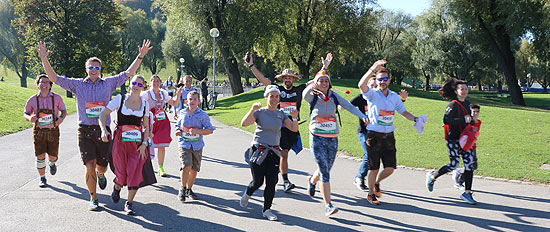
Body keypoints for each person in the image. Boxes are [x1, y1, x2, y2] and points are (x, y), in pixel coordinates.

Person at [36, 40, 152, 210]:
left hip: (103, 131)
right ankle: (93, 197)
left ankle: (101, 174)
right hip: (84, 130)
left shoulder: (108, 83)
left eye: (97, 67)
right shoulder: (77, 84)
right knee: (89, 166)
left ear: (100, 70)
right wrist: (44, 59)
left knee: (102, 167)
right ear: (86, 69)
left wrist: (140, 56)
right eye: (91, 67)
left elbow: (128, 73)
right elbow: (54, 78)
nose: (94, 70)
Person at [303, 53, 368, 217]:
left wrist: (363, 116)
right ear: (316, 84)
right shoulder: (313, 96)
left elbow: (350, 107)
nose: (324, 83)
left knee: (325, 168)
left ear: (330, 83)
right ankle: (328, 205)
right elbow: (304, 94)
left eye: (326, 81)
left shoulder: (334, 96)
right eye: (321, 81)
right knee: (325, 171)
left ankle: (312, 181)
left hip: (332, 138)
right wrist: (321, 72)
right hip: (316, 137)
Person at [357, 60, 424, 205]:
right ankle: (370, 194)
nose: (382, 81)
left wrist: (416, 119)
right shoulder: (372, 95)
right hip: (373, 136)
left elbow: (403, 112)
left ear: (389, 80)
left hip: (389, 137)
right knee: (373, 169)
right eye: (379, 79)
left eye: (385, 79)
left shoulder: (393, 96)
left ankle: (377, 183)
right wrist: (372, 69)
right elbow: (361, 85)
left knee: (390, 168)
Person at [244, 52, 305, 192]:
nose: (287, 80)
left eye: (290, 77)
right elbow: (262, 79)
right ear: (282, 79)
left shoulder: (299, 89)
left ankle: (265, 168)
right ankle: (285, 181)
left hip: (292, 127)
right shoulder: (277, 89)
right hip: (278, 126)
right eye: (285, 78)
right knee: (283, 153)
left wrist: (324, 67)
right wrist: (251, 65)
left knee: (283, 153)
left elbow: (316, 81)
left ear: (293, 79)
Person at [98, 75, 156, 215]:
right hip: (120, 142)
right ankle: (117, 187)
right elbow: (102, 114)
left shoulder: (145, 103)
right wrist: (103, 130)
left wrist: (144, 143)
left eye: (139, 84)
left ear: (143, 87)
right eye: (134, 82)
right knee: (122, 173)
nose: (136, 85)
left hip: (137, 145)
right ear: (130, 84)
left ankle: (129, 203)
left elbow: (147, 127)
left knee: (134, 172)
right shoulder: (120, 99)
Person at [239, 85, 299, 221]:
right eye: (271, 96)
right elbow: (244, 123)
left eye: (276, 96)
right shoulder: (259, 112)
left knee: (272, 182)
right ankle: (248, 193)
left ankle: (267, 210)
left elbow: (293, 129)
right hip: (258, 150)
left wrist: (295, 118)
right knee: (257, 181)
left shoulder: (281, 114)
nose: (274, 99)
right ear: (266, 97)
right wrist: (252, 110)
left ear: (279, 99)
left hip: (274, 151)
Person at [350, 77, 408, 191]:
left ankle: (374, 182)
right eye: (371, 86)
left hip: (379, 133)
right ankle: (359, 177)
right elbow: (349, 105)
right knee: (367, 154)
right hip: (364, 131)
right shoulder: (362, 97)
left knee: (385, 165)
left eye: (375, 86)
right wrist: (341, 106)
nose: (373, 88)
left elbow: (392, 107)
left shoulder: (378, 98)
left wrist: (403, 100)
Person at [426, 79, 479, 204]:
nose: (464, 91)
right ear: (456, 91)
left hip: (466, 140)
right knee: (454, 164)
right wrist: (463, 120)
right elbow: (446, 120)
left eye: (466, 89)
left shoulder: (468, 104)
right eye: (462, 89)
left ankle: (467, 193)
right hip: (453, 139)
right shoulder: (453, 105)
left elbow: (468, 120)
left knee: (469, 165)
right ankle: (433, 176)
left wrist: (472, 120)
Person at [23, 74, 67, 187]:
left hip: (53, 131)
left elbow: (63, 111)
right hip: (38, 131)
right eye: (41, 82)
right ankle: (42, 178)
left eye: (47, 82)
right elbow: (26, 113)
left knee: (53, 156)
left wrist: (60, 119)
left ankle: (52, 163)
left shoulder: (57, 98)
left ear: (50, 85)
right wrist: (29, 118)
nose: (44, 84)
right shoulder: (32, 100)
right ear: (38, 85)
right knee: (40, 155)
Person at [174, 91, 214, 202]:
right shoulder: (182, 112)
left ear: (199, 101)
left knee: (193, 169)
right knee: (186, 165)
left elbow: (210, 130)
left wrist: (198, 131)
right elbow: (177, 125)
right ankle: (182, 188)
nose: (192, 101)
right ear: (186, 100)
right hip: (184, 144)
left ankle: (189, 189)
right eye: (190, 99)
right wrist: (177, 130)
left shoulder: (202, 115)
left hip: (197, 146)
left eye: (194, 99)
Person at [142, 75, 182, 177]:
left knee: (161, 144)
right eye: (153, 81)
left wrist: (178, 95)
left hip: (161, 120)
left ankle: (160, 167)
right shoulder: (146, 94)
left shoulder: (163, 93)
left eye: (157, 81)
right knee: (146, 144)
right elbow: (139, 103)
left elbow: (174, 103)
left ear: (160, 83)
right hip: (149, 120)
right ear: (150, 83)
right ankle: (145, 167)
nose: (155, 83)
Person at [452, 104, 481, 190]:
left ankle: (459, 171)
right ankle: (459, 182)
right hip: (465, 146)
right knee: (470, 166)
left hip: (473, 146)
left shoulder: (478, 122)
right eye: (474, 112)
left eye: (477, 112)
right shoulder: (466, 122)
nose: (475, 113)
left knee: (474, 166)